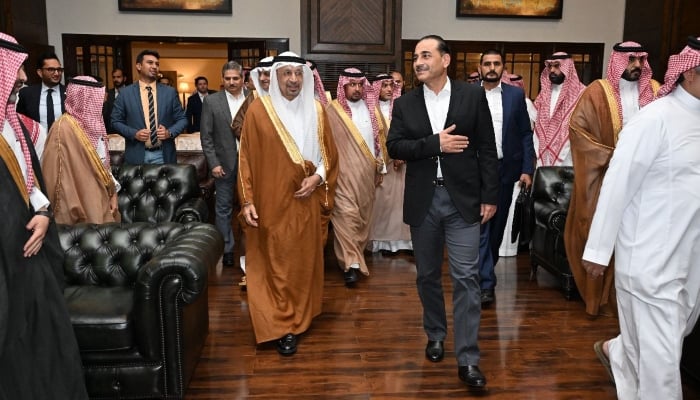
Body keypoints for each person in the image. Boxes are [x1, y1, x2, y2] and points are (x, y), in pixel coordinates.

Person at [583, 36, 700, 400]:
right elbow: (617, 185)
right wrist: (598, 251)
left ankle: (620, 352)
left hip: (691, 257)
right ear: (692, 73)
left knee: (665, 340)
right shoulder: (655, 119)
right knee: (662, 364)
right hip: (650, 258)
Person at [387, 34, 498, 389]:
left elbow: (487, 148)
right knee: (427, 275)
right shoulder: (405, 104)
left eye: (426, 55)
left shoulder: (472, 96)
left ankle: (468, 359)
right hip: (424, 201)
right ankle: (435, 332)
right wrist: (435, 144)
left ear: (445, 60)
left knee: (467, 278)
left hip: (463, 201)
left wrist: (490, 196)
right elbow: (394, 147)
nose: (419, 62)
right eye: (416, 56)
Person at [0, 32, 89, 400]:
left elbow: (29, 179)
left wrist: (43, 212)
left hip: (31, 249)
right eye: (15, 69)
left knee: (48, 340)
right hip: (6, 260)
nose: (21, 77)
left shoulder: (13, 123)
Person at [237, 51, 338, 355]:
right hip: (270, 202)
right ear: (276, 76)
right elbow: (246, 160)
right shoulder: (258, 110)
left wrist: (318, 179)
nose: (293, 80)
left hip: (306, 201)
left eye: (298, 74)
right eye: (287, 74)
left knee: (301, 262)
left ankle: (299, 317)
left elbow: (329, 156)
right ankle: (282, 325)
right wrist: (247, 200)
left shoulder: (319, 110)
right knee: (275, 261)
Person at [564, 41, 660, 317]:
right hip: (608, 179)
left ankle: (638, 299)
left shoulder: (656, 91)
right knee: (599, 232)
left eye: (640, 59)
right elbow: (579, 131)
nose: (636, 66)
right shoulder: (597, 91)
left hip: (650, 182)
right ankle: (598, 300)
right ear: (618, 61)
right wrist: (614, 156)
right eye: (630, 60)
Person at [477, 49, 535, 306]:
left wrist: (527, 168)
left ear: (503, 68)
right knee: (479, 226)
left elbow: (525, 133)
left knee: (497, 227)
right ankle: (486, 282)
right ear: (480, 68)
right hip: (475, 171)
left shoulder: (514, 96)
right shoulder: (468, 94)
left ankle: (484, 273)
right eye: (487, 64)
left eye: (496, 64)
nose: (491, 68)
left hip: (505, 170)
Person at [326, 67, 386, 285]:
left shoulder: (373, 110)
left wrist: (381, 168)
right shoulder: (332, 111)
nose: (357, 89)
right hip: (341, 175)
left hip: (366, 174)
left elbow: (379, 144)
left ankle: (356, 255)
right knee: (346, 216)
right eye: (352, 85)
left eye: (360, 84)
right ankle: (349, 265)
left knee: (362, 218)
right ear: (343, 87)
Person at [42, 76, 120, 225]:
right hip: (80, 205)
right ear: (85, 98)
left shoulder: (97, 126)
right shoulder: (63, 129)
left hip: (102, 196)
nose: (102, 101)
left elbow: (103, 164)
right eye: (96, 97)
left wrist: (113, 192)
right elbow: (58, 179)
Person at [200, 61, 245, 267]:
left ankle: (251, 249)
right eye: (228, 79)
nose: (232, 82)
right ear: (222, 80)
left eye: (236, 78)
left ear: (242, 78)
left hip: (250, 164)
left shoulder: (253, 99)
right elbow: (206, 136)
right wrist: (213, 163)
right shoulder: (212, 101)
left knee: (250, 207)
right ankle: (227, 248)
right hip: (223, 165)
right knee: (224, 208)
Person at [111, 50, 187, 164]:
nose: (154, 66)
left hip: (163, 155)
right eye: (150, 63)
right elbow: (115, 121)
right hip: (136, 155)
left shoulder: (169, 92)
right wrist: (134, 134)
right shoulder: (125, 94)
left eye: (157, 64)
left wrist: (169, 132)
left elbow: (182, 119)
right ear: (139, 66)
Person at [367, 73, 411, 253]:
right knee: (382, 205)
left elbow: (411, 132)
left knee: (401, 205)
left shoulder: (402, 108)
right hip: (381, 165)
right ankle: (382, 243)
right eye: (384, 85)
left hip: (402, 164)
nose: (388, 89)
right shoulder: (370, 111)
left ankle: (404, 243)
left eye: (390, 86)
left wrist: (403, 154)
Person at [533, 53, 586, 167]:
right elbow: (536, 121)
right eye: (550, 66)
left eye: (557, 66)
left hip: (570, 157)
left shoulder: (582, 94)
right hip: (545, 156)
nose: (552, 70)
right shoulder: (544, 94)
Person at [16, 51, 66, 132]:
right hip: (37, 143)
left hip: (62, 143)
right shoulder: (26, 94)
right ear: (40, 73)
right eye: (51, 69)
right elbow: (20, 123)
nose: (57, 73)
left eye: (59, 69)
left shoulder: (69, 93)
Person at [231, 56, 273, 140]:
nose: (261, 78)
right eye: (259, 74)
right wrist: (255, 138)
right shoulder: (254, 96)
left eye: (267, 74)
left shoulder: (289, 96)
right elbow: (237, 125)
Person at [102, 67, 126, 133]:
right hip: (111, 132)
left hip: (126, 132)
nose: (116, 79)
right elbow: (105, 115)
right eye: (114, 77)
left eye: (118, 77)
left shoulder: (130, 92)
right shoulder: (108, 94)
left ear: (124, 78)